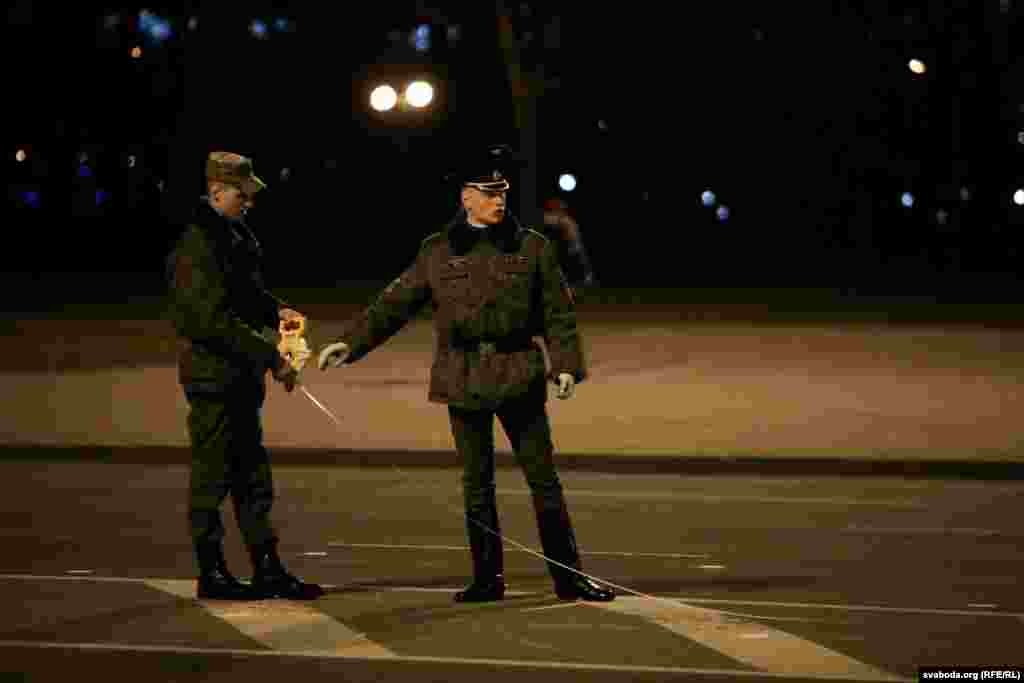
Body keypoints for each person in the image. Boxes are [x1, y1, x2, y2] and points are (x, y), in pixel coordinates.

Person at [317, 143, 614, 603]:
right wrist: (350, 343)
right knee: (477, 485)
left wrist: (566, 367)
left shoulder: (532, 247)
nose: (499, 200)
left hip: (518, 371)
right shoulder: (437, 251)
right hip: (462, 373)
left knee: (544, 481)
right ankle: (487, 579)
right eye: (489, 192)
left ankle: (568, 576)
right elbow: (394, 303)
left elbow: (559, 314)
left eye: (503, 192)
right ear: (466, 197)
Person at [166, 151, 324, 601]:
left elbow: (248, 296)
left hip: (238, 378)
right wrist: (270, 357)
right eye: (243, 194)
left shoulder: (231, 237)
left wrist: (278, 312)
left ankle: (267, 566)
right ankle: (211, 572)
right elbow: (208, 321)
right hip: (213, 379)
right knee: (212, 478)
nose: (250, 202)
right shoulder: (197, 246)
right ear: (217, 191)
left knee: (253, 477)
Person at [541, 197, 598, 297]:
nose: (561, 208)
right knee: (565, 276)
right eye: (557, 206)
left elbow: (574, 236)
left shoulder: (565, 219)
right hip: (564, 250)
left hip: (573, 249)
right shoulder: (550, 218)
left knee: (576, 276)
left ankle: (571, 294)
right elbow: (554, 231)